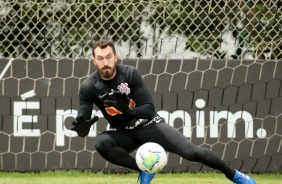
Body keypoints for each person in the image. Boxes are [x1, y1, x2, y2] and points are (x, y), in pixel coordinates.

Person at [71, 39, 256, 184]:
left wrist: (128, 109)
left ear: (116, 57)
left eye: (109, 57)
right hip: (123, 132)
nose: (106, 62)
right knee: (102, 143)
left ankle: (235, 176)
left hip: (150, 125)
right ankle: (146, 170)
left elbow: (150, 111)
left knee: (192, 153)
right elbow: (84, 119)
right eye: (101, 58)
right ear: (94, 60)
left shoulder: (129, 74)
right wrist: (82, 129)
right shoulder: (88, 87)